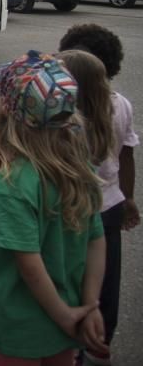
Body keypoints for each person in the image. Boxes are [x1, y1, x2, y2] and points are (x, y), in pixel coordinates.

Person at [0, 50, 107, 365]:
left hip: (18, 327)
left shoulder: (13, 183)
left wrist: (65, 315)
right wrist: (90, 306)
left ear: (8, 116)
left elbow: (29, 265)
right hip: (66, 317)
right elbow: (96, 240)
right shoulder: (80, 171)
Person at [58, 25, 140, 366]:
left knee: (69, 279)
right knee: (104, 282)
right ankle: (97, 347)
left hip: (71, 211)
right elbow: (126, 155)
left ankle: (70, 345)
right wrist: (129, 198)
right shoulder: (120, 104)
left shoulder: (63, 114)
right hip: (109, 204)